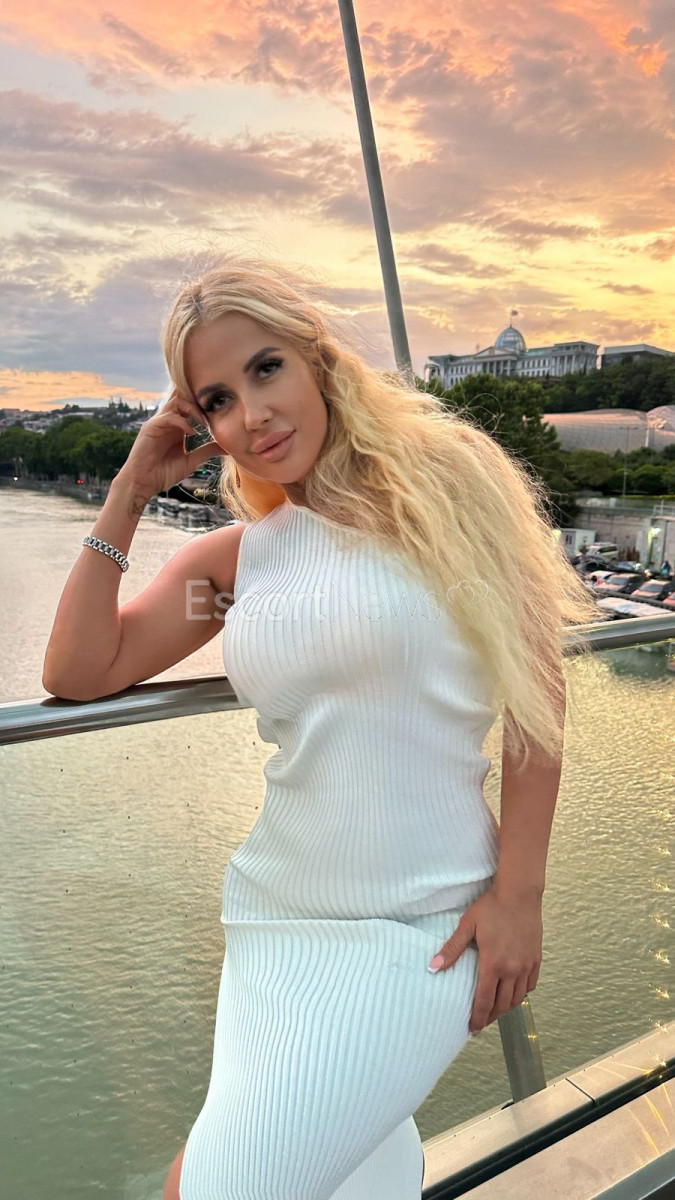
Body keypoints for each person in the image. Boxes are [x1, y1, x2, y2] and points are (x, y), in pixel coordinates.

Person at [42, 253, 600, 1200]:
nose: (252, 415)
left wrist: (519, 896)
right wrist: (130, 492)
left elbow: (534, 703)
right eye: (217, 401)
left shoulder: (449, 495)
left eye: (266, 369)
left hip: (423, 927)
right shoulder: (239, 566)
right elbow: (78, 670)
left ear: (317, 359)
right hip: (276, 921)